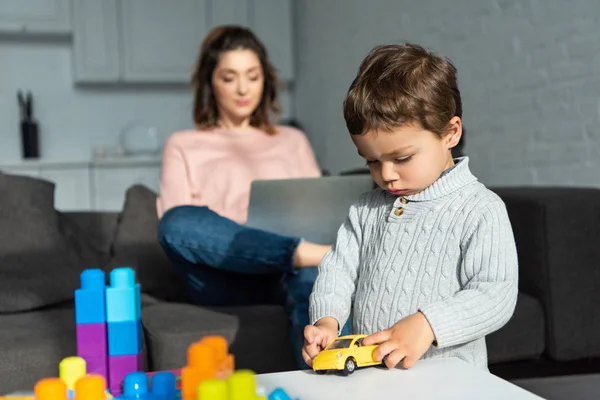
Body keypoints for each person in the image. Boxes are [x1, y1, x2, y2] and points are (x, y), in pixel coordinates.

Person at [303, 43, 518, 371]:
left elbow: (496, 293)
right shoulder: (366, 209)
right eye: (371, 161)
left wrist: (428, 324)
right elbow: (338, 270)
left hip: (452, 382)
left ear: (450, 133)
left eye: (402, 158)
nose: (386, 175)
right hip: (374, 378)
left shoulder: (480, 209)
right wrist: (327, 321)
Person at [156, 25, 345, 368]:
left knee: (308, 277)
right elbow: (179, 229)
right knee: (176, 221)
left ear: (265, 81)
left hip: (293, 272)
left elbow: (318, 208)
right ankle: (306, 253)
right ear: (210, 83)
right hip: (226, 273)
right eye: (229, 78)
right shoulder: (183, 144)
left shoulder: (292, 140)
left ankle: (324, 383)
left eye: (252, 76)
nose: (242, 89)